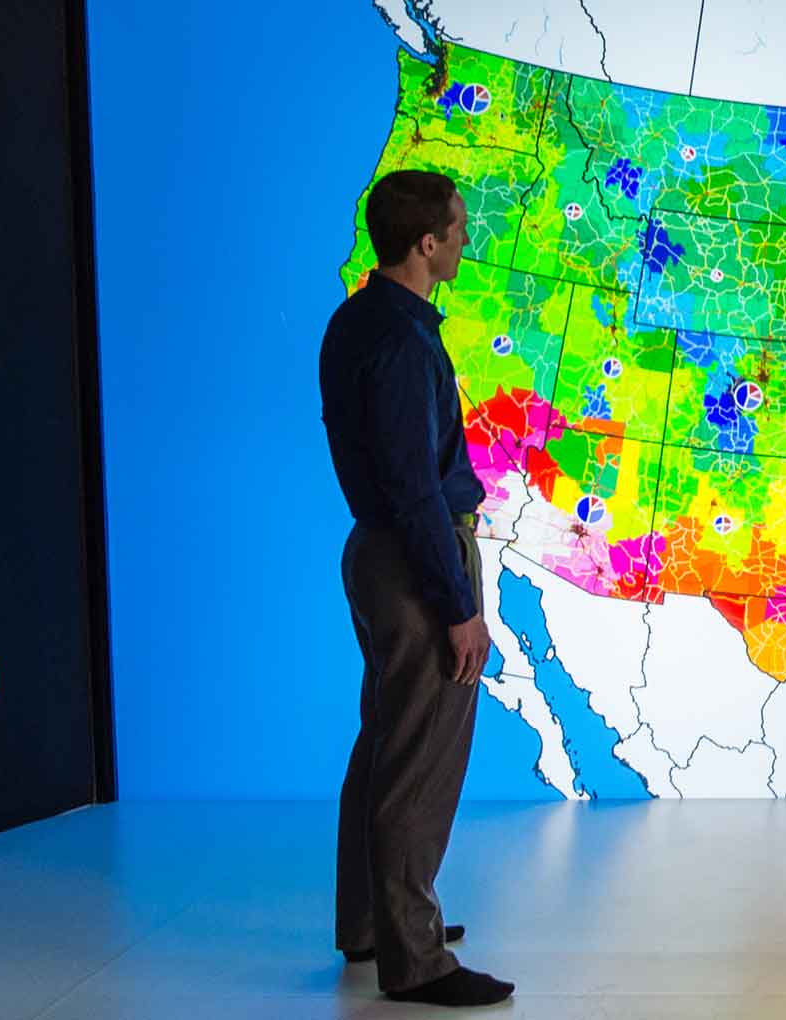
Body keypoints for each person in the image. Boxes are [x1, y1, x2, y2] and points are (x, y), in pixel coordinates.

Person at [319, 169, 513, 1006]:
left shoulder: (357, 322)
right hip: (415, 563)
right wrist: (459, 608)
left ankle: (373, 925)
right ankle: (417, 960)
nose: (467, 241)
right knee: (417, 760)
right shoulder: (402, 343)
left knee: (385, 746)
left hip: (381, 555)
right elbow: (414, 490)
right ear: (426, 242)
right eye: (459, 229)